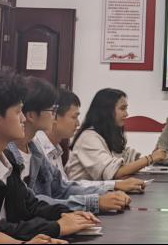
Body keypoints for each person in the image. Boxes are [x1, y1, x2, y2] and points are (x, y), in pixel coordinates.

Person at [0, 69, 98, 241]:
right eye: (18, 112)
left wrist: (65, 214)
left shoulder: (7, 158)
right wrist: (56, 227)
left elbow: (30, 205)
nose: (23, 119)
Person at [8, 78, 131, 214]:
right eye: (52, 110)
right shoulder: (10, 153)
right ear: (31, 115)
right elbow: (32, 204)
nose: (54, 116)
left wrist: (106, 192)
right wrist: (96, 201)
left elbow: (61, 188)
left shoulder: (35, 149)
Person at [34, 89, 145, 193]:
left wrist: (112, 187)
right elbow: (58, 193)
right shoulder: (38, 148)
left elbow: (64, 187)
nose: (78, 123)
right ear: (54, 115)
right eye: (74, 117)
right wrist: (114, 186)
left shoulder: (55, 149)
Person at [67, 88, 166, 181]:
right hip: (83, 193)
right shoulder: (88, 138)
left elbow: (127, 159)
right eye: (122, 109)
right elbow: (114, 173)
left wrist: (152, 157)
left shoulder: (108, 134)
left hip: (101, 191)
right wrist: (150, 158)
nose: (126, 114)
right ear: (106, 111)